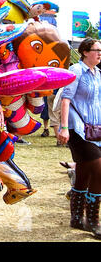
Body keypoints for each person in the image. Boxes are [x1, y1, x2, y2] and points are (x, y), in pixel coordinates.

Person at [58, 38, 101, 239]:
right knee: (98, 170)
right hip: (77, 130)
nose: (100, 54)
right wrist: (64, 128)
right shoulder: (76, 71)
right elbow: (66, 99)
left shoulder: (97, 74)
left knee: (84, 172)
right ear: (84, 52)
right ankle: (93, 221)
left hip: (95, 130)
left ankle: (77, 218)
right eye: (96, 50)